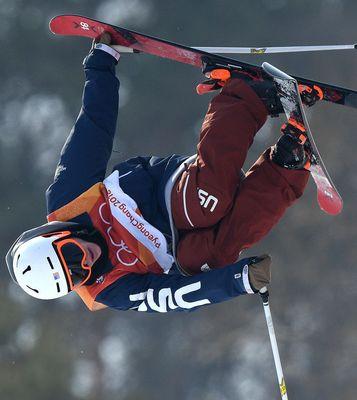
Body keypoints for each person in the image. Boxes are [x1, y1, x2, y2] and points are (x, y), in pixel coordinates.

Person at [6, 32, 312, 313]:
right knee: (213, 257)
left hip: (158, 192)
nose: (86, 261)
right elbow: (175, 296)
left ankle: (245, 96)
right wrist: (239, 280)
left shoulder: (69, 201)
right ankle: (287, 162)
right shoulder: (110, 290)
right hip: (177, 246)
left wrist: (101, 64)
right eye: (77, 275)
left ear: (57, 234)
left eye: (71, 254)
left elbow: (93, 132)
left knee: (206, 204)